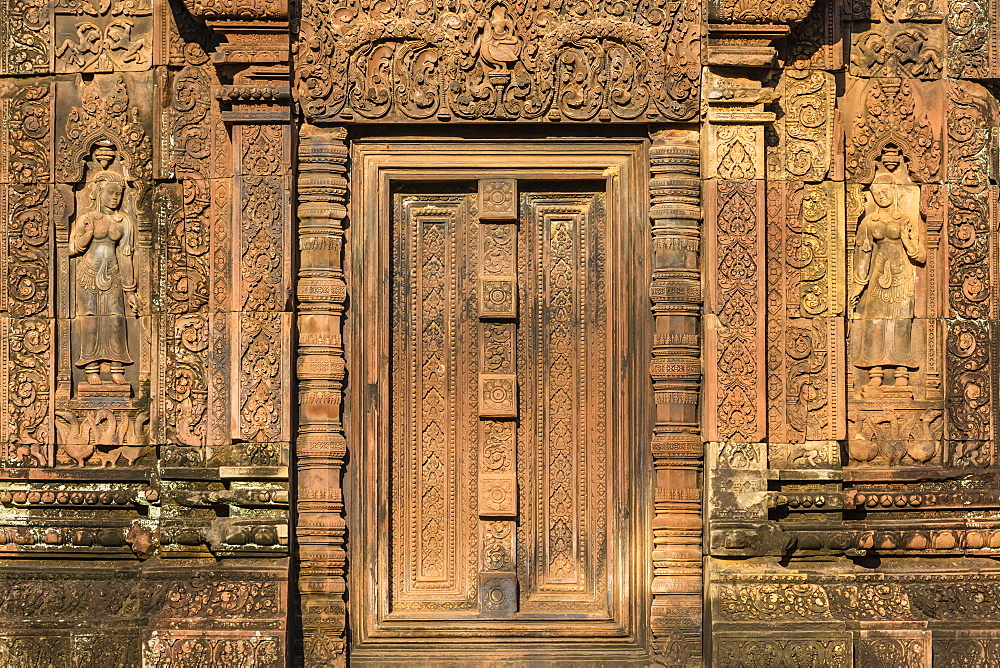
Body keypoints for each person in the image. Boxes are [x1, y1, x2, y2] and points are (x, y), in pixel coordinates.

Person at [849, 147, 926, 387]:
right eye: (876, 193)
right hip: (877, 276)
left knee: (901, 319)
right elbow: (863, 255)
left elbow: (921, 256)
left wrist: (907, 241)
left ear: (894, 191)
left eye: (885, 191)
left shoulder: (906, 220)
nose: (881, 196)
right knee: (874, 321)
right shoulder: (869, 222)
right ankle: (875, 372)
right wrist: (856, 286)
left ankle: (902, 372)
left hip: (902, 276)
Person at [70, 171, 139, 386]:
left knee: (116, 319)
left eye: (118, 194)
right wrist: (88, 234)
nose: (115, 198)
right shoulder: (87, 219)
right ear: (98, 192)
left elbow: (126, 255)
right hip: (88, 273)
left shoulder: (124, 221)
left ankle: (117, 367)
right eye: (110, 192)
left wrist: (130, 291)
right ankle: (92, 368)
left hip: (113, 273)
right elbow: (72, 248)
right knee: (89, 320)